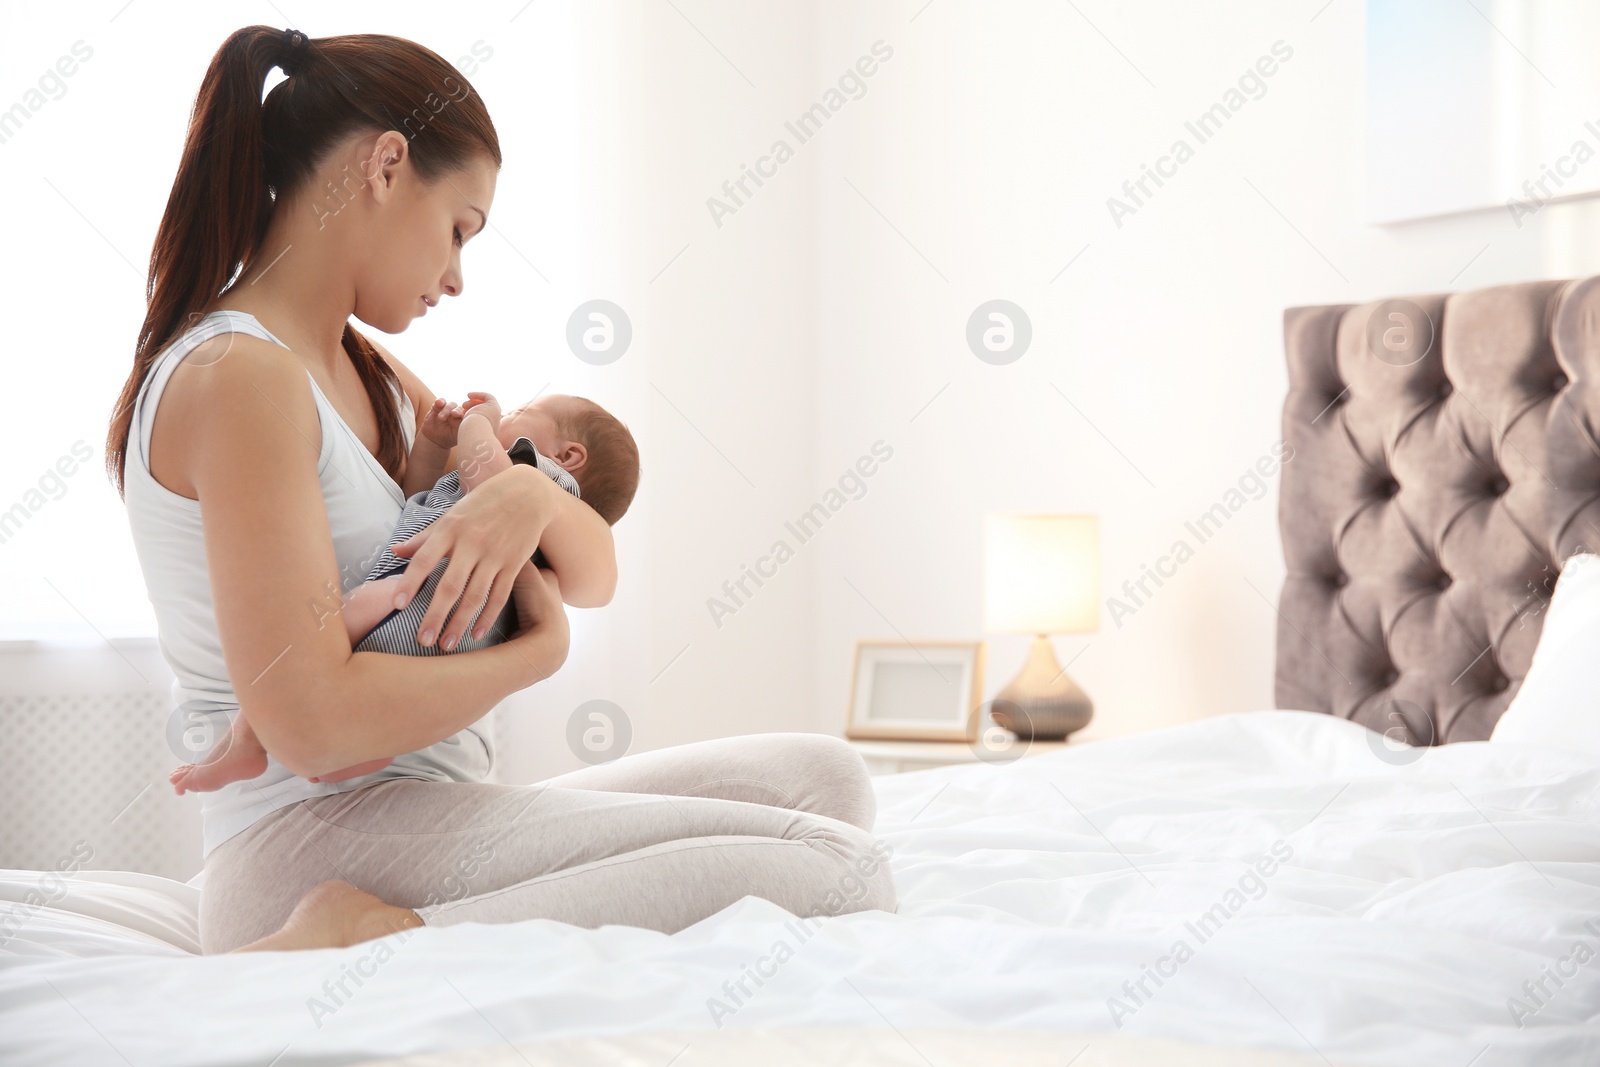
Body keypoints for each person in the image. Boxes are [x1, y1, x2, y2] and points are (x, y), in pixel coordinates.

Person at [109, 25, 895, 954]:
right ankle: (347, 936)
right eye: (458, 228)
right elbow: (312, 728)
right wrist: (541, 652)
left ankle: (406, 922)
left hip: (431, 812)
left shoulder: (368, 372)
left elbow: (594, 570)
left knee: (826, 780)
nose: (454, 276)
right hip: (304, 848)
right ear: (387, 165)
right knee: (844, 867)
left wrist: (530, 498)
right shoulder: (239, 376)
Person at [166, 390, 641, 794]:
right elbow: (415, 501)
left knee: (332, 625)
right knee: (374, 715)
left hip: (415, 606)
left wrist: (480, 422)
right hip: (446, 646)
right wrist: (432, 448)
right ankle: (337, 754)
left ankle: (250, 739)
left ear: (568, 456)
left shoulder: (538, 475)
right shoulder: (548, 523)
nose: (510, 416)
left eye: (522, 412)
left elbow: (487, 481)